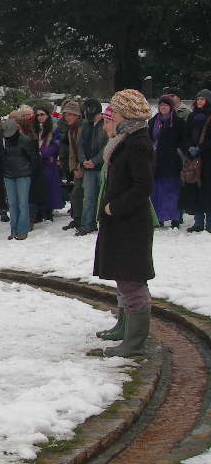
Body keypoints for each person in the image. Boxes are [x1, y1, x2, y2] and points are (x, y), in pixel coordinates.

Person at [94, 89, 157, 358]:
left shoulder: (138, 142)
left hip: (130, 222)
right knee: (124, 276)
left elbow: (143, 186)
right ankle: (125, 329)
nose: (112, 116)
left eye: (115, 111)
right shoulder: (127, 139)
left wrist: (114, 206)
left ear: (126, 114)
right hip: (121, 222)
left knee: (132, 279)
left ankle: (135, 343)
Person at [0, 115, 39, 240]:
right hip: (8, 175)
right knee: (12, 204)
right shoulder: (3, 141)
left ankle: (22, 230)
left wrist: (28, 171)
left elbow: (34, 159)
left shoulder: (26, 140)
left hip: (23, 175)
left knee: (23, 204)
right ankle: (13, 229)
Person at [148, 95, 183, 228]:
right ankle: (159, 217)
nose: (163, 107)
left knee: (172, 191)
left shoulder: (178, 122)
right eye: (161, 105)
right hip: (156, 161)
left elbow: (182, 140)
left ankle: (175, 218)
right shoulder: (153, 121)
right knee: (157, 191)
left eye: (166, 105)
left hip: (172, 161)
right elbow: (149, 138)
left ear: (171, 107)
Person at [77, 99, 109, 236]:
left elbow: (106, 146)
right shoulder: (85, 125)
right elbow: (80, 145)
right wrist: (84, 160)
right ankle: (87, 224)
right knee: (88, 198)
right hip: (88, 168)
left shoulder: (106, 124)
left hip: (102, 166)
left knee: (104, 197)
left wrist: (95, 161)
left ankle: (104, 223)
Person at [182, 90, 211, 231]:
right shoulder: (192, 116)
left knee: (207, 189)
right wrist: (189, 148)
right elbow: (186, 135)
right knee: (195, 187)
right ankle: (198, 222)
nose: (200, 101)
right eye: (198, 99)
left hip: (207, 158)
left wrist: (200, 148)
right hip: (194, 157)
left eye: (203, 99)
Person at [34, 105, 64, 222]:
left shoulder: (54, 128)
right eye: (38, 115)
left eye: (42, 114)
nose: (40, 117)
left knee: (49, 187)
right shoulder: (35, 129)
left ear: (47, 115)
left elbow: (55, 145)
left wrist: (43, 153)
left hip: (48, 162)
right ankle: (39, 211)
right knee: (40, 187)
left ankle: (48, 211)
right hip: (37, 162)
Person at [59, 100, 85, 230]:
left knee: (79, 193)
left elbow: (84, 150)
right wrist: (73, 168)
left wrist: (80, 167)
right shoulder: (71, 131)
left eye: (69, 114)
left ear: (77, 115)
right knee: (75, 193)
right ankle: (77, 218)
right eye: (65, 115)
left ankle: (82, 220)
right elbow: (72, 152)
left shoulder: (84, 128)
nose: (66, 117)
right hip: (77, 167)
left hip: (86, 166)